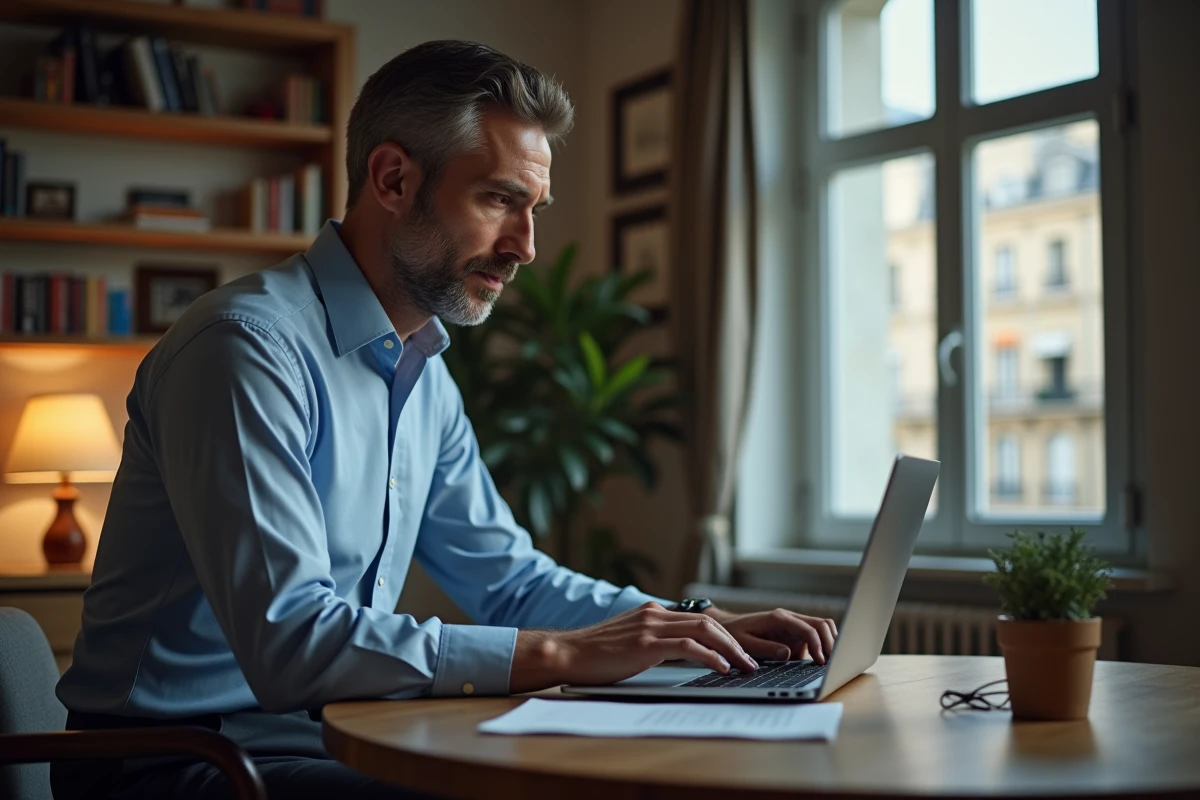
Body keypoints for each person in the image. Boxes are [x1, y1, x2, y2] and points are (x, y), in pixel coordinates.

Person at [52, 40, 838, 800]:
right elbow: (292, 644)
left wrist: (690, 627)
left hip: (316, 736)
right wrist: (569, 654)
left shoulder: (422, 365)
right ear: (392, 179)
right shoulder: (244, 350)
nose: (526, 246)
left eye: (534, 209)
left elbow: (508, 578)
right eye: (499, 199)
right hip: (174, 761)